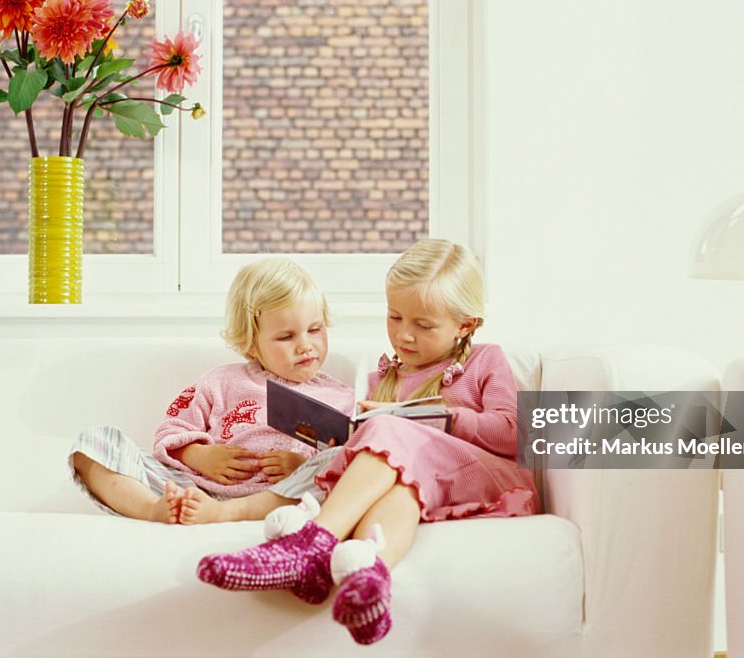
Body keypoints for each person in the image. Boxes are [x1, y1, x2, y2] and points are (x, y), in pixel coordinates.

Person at [196, 239, 539, 645]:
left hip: (489, 475)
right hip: (428, 489)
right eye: (394, 317)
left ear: (465, 325)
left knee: (389, 430)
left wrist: (438, 415)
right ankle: (370, 575)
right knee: (398, 477)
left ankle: (309, 548)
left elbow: (513, 433)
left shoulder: (485, 359)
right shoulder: (384, 375)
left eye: (423, 325)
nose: (404, 335)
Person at [68, 258, 355, 523]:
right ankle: (152, 509)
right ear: (251, 344)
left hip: (278, 498)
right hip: (196, 492)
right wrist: (199, 456)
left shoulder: (342, 397)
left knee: (341, 463)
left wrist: (301, 466)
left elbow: (346, 465)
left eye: (315, 330)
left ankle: (226, 513)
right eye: (286, 336)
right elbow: (170, 431)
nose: (306, 345)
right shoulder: (221, 381)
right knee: (92, 444)